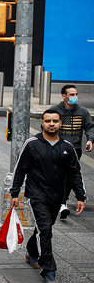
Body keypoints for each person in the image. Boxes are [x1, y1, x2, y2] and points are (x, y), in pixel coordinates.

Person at [9, 109, 86, 283]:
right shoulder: (32, 144)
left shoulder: (67, 147)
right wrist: (14, 193)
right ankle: (48, 270)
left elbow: (75, 173)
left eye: (55, 121)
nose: (51, 124)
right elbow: (20, 170)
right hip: (36, 195)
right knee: (45, 230)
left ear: (61, 124)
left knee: (44, 228)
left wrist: (81, 196)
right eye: (48, 121)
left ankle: (31, 252)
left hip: (56, 197)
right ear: (42, 123)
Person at [50, 84, 94, 219]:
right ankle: (58, 201)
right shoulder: (55, 111)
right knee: (58, 175)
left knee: (69, 176)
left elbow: (89, 127)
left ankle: (62, 202)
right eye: (72, 95)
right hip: (58, 149)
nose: (75, 97)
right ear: (64, 96)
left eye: (76, 94)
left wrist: (90, 140)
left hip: (75, 149)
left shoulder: (82, 112)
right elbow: (46, 127)